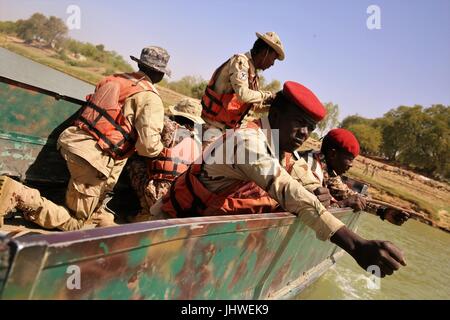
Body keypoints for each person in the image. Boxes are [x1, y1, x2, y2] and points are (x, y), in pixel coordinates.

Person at [151, 81, 406, 277]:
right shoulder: (247, 142)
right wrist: (356, 245)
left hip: (200, 239)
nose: (304, 133)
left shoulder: (280, 147)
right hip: (168, 234)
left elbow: (303, 178)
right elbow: (287, 191)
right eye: (298, 122)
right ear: (275, 114)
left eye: (311, 128)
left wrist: (318, 188)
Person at [0, 46, 171, 231]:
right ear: (159, 75)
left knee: (90, 200)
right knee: (75, 224)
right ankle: (17, 194)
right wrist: (163, 149)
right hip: (93, 157)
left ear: (140, 64)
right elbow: (148, 147)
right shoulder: (150, 97)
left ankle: (90, 210)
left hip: (73, 140)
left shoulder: (117, 79)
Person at [290, 128, 410, 226]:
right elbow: (312, 211)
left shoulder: (326, 166)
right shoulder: (308, 168)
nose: (351, 165)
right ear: (333, 154)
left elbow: (345, 193)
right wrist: (343, 204)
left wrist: (383, 212)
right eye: (350, 159)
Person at [128, 98, 205, 221]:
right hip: (176, 197)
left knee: (134, 160)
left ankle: (144, 209)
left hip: (156, 193)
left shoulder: (169, 128)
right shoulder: (198, 142)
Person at [201, 31, 284, 134]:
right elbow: (243, 94)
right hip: (211, 126)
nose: (272, 64)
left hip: (225, 130)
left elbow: (252, 107)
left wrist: (273, 105)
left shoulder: (253, 76)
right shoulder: (240, 62)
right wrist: (269, 96)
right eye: (274, 59)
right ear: (264, 53)